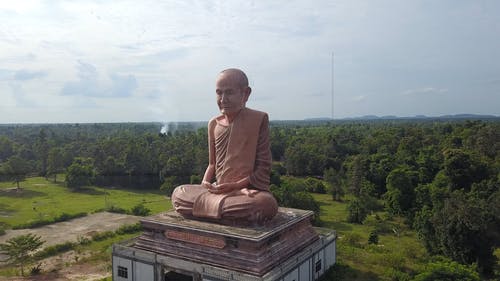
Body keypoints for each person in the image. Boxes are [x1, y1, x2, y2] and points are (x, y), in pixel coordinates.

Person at [171, 68, 278, 224]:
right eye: (219, 93)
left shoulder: (258, 119)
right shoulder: (214, 124)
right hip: (217, 189)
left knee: (265, 204)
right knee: (178, 193)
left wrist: (236, 186)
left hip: (245, 191)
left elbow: (263, 167)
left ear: (245, 94)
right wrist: (205, 183)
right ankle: (220, 210)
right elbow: (212, 164)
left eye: (229, 92)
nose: (223, 99)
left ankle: (208, 209)